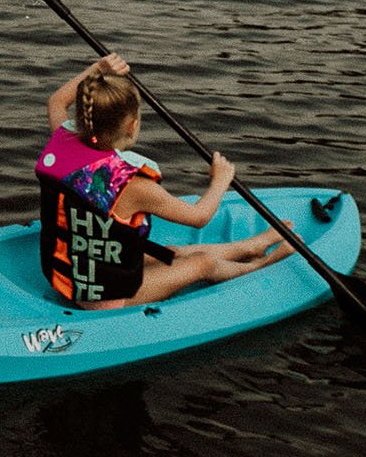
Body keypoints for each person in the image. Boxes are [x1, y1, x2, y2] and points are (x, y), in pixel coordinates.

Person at [36, 53, 295, 309]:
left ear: (83, 116)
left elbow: (56, 101)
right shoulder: (133, 185)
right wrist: (220, 180)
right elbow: (199, 216)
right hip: (101, 298)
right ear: (131, 126)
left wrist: (97, 68)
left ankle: (252, 246)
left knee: (169, 253)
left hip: (66, 273)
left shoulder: (60, 140)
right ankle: (259, 265)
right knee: (200, 263)